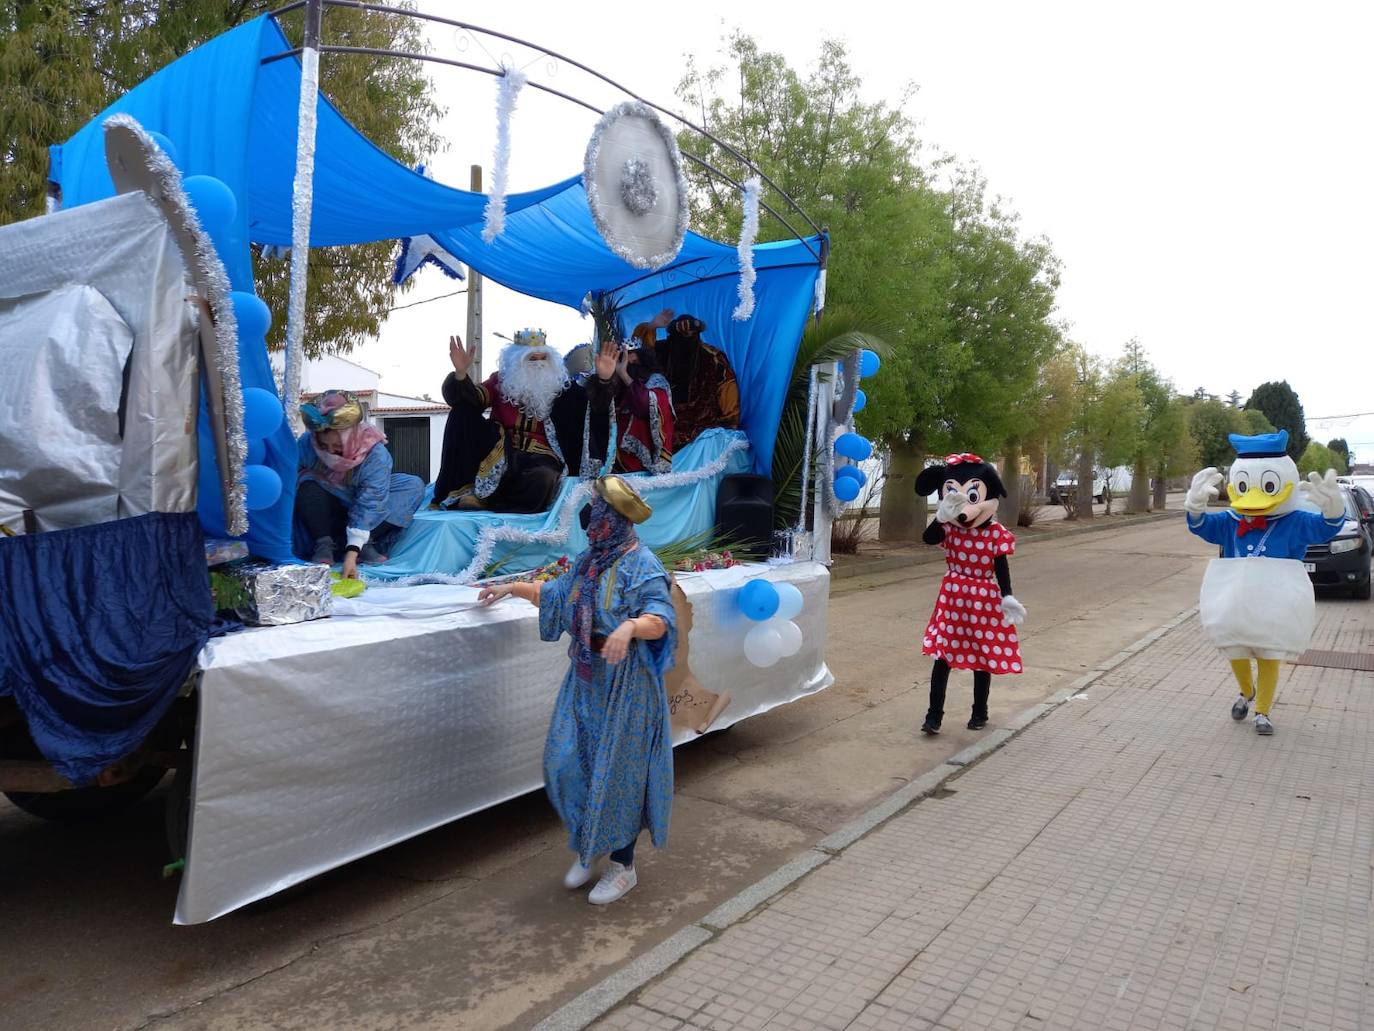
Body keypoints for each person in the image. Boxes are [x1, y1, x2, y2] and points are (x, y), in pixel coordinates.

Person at [478, 476, 675, 904]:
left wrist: (629, 626)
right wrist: (508, 587)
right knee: (566, 760)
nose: (591, 519)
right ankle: (591, 844)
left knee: (618, 773)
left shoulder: (643, 564)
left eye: (599, 511)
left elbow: (660, 617)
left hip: (627, 682)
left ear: (617, 519)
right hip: (586, 677)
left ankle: (623, 866)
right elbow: (555, 594)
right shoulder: (590, 561)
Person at [1185, 430, 1344, 735]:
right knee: (1235, 648)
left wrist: (1333, 509)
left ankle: (1263, 712)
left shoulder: (1294, 521)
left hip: (1276, 602)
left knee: (1270, 653)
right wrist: (1194, 507)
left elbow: (1324, 528)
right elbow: (1203, 526)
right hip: (1236, 601)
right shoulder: (1231, 521)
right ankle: (1246, 691)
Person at [913, 454, 1027, 734]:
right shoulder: (949, 529)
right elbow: (928, 538)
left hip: (984, 599)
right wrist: (940, 518)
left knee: (982, 655)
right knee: (943, 656)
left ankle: (980, 712)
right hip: (952, 599)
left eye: (973, 495)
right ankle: (933, 716)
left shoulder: (994, 534)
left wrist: (1007, 595)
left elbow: (1001, 564)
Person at [433, 329, 595, 512]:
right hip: (499, 450)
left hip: (541, 456)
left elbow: (590, 406)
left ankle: (493, 503)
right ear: (516, 361)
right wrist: (461, 373)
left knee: (544, 479)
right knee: (462, 411)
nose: (539, 364)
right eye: (532, 359)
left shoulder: (562, 387)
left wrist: (603, 380)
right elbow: (473, 400)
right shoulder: (500, 381)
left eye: (544, 359)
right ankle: (469, 493)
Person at [295, 390, 424, 578]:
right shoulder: (306, 444)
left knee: (412, 485)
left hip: (363, 512)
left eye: (338, 447)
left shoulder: (376, 454)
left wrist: (352, 553)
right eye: (324, 447)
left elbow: (372, 500)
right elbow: (288, 483)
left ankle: (364, 543)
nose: (331, 453)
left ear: (352, 436)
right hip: (328, 510)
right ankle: (324, 543)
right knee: (306, 481)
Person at [632, 309, 739, 449]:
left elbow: (728, 390)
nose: (686, 338)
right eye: (681, 335)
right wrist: (652, 326)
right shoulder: (661, 351)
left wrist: (730, 426)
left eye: (691, 334)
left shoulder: (712, 357)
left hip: (701, 430)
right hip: (662, 427)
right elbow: (634, 353)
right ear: (673, 336)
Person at [588, 333, 674, 475]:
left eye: (632, 355)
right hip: (612, 452)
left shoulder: (655, 380)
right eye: (623, 355)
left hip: (642, 454)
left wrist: (624, 375)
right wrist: (605, 379)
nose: (627, 359)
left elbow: (645, 406)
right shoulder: (616, 382)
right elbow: (599, 407)